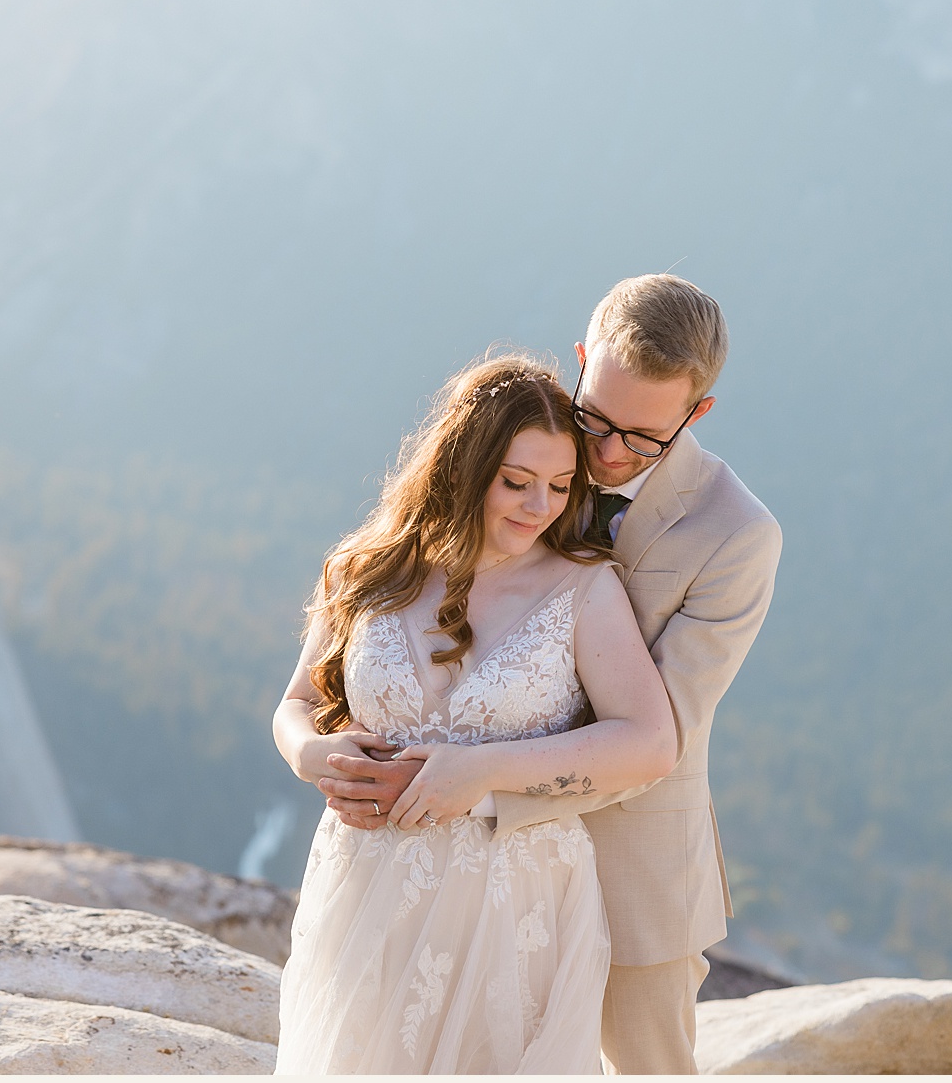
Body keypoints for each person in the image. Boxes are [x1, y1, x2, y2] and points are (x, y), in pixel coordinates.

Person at [315, 274, 782, 1073]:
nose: (603, 454)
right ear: (580, 360)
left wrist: (477, 786)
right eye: (595, 416)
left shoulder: (736, 536)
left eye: (640, 438)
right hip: (456, 870)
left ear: (695, 413)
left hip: (632, 866)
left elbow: (656, 731)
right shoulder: (527, 456)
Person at [271, 352, 685, 1073]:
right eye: (516, 482)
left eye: (560, 486)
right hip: (366, 884)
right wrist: (309, 753)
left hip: (511, 899)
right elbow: (297, 705)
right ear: (461, 469)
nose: (539, 506)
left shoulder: (582, 591)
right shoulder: (365, 569)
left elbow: (650, 742)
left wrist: (486, 769)